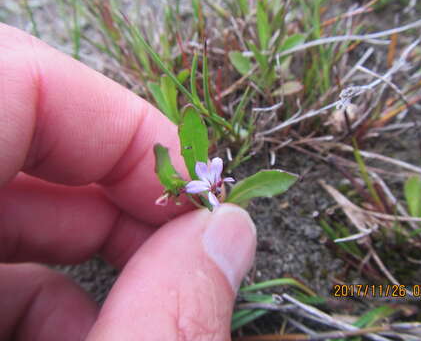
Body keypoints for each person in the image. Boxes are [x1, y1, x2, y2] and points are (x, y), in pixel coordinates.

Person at [0, 23, 256, 341]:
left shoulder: (207, 182)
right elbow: (201, 183)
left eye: (214, 184)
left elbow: (210, 177)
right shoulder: (197, 186)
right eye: (212, 185)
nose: (214, 186)